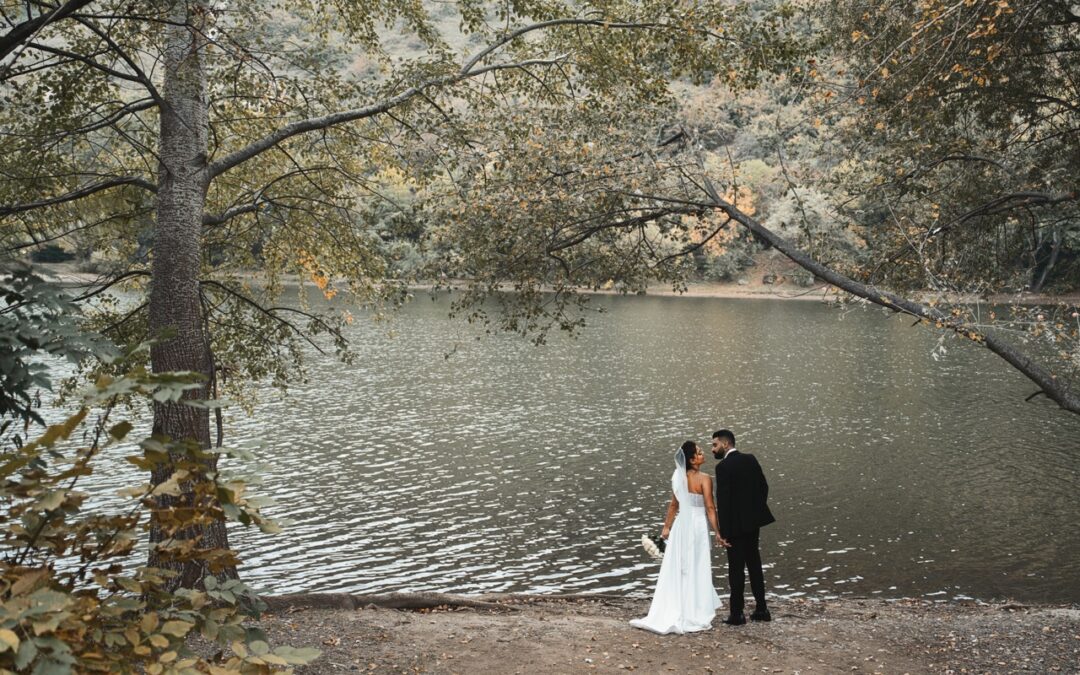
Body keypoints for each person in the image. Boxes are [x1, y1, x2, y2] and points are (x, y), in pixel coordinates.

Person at [630, 441, 727, 634]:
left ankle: (676, 605)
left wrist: (666, 527)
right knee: (696, 564)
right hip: (697, 526)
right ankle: (694, 609)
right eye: (699, 453)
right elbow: (710, 507)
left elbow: (674, 505)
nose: (702, 454)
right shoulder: (705, 478)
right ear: (691, 460)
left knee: (680, 566)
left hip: (681, 525)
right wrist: (717, 531)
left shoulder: (679, 477)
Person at [712, 428, 775, 625]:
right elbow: (763, 487)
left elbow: (724, 502)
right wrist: (754, 512)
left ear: (725, 444)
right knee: (755, 564)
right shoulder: (750, 459)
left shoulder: (723, 467)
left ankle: (737, 614)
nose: (713, 449)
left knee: (736, 569)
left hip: (734, 527)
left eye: (715, 445)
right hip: (753, 523)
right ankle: (762, 609)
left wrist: (723, 532)